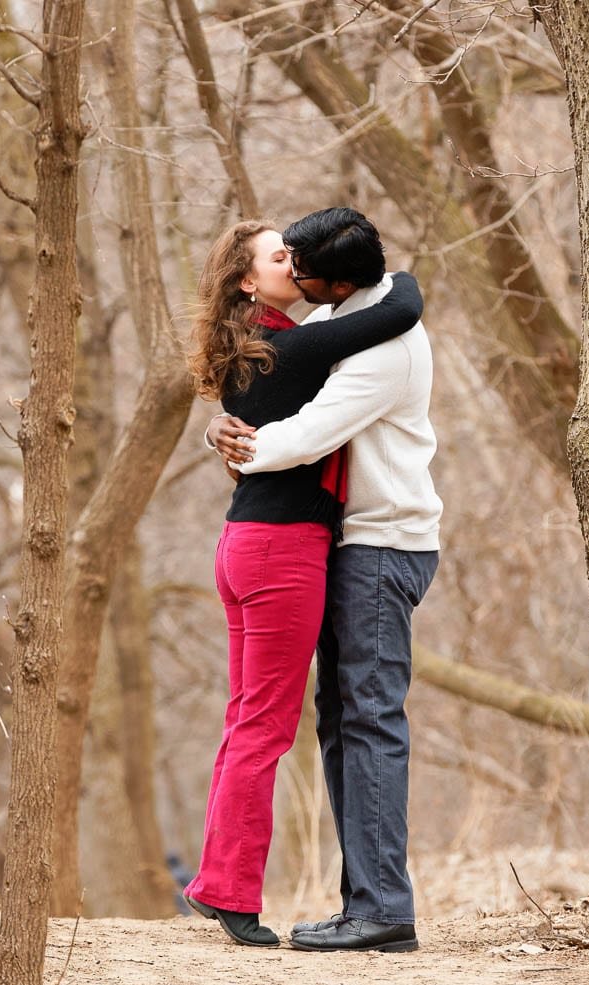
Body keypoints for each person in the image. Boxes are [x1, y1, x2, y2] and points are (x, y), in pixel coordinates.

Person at [182, 218, 424, 948]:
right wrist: (404, 274)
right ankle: (229, 893)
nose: (296, 262)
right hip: (282, 551)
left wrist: (216, 431)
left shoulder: (255, 346)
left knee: (247, 721)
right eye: (280, 256)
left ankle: (217, 884)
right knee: (264, 727)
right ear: (249, 282)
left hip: (247, 545)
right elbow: (401, 307)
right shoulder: (291, 346)